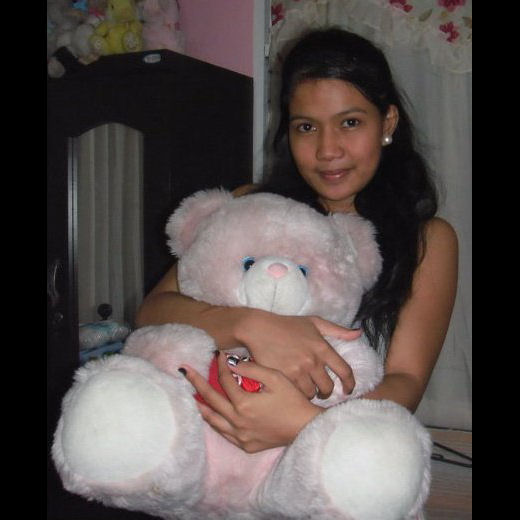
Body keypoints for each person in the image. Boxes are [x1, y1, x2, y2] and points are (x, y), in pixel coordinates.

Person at [136, 28, 458, 454]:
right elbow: (153, 311)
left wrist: (301, 424)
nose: (328, 150)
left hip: (346, 457)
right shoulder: (252, 207)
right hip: (222, 455)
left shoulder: (427, 240)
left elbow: (406, 381)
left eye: (350, 122)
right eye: (307, 127)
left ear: (388, 123)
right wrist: (254, 327)